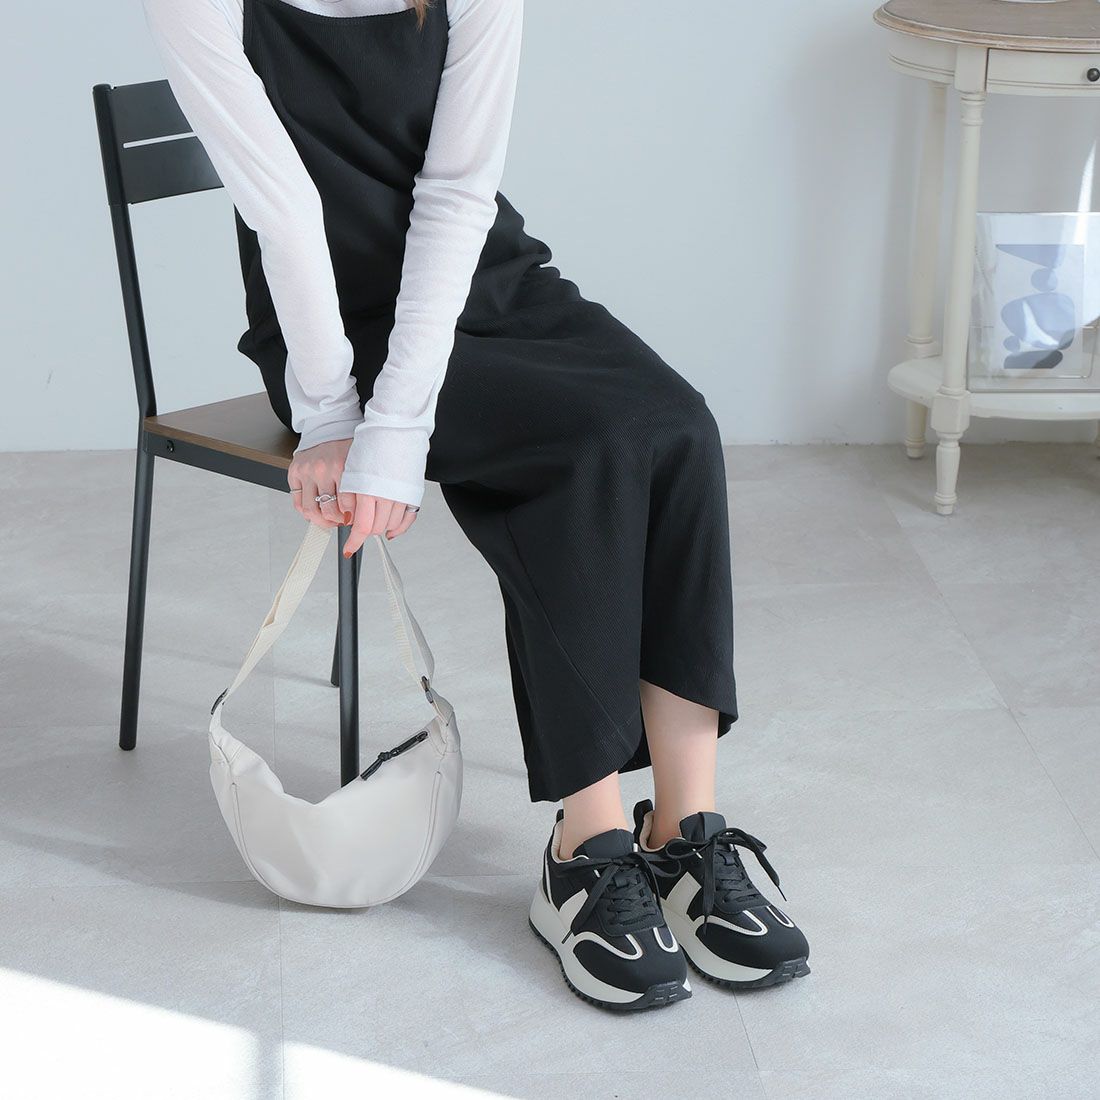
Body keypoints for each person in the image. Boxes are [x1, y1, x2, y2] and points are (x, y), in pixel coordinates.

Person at [142, 0, 810, 1011]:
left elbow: (457, 192)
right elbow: (282, 208)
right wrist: (340, 415)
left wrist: (404, 425)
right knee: (580, 451)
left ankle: (685, 830)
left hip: (484, 284)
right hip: (336, 328)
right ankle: (584, 847)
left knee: (677, 426)